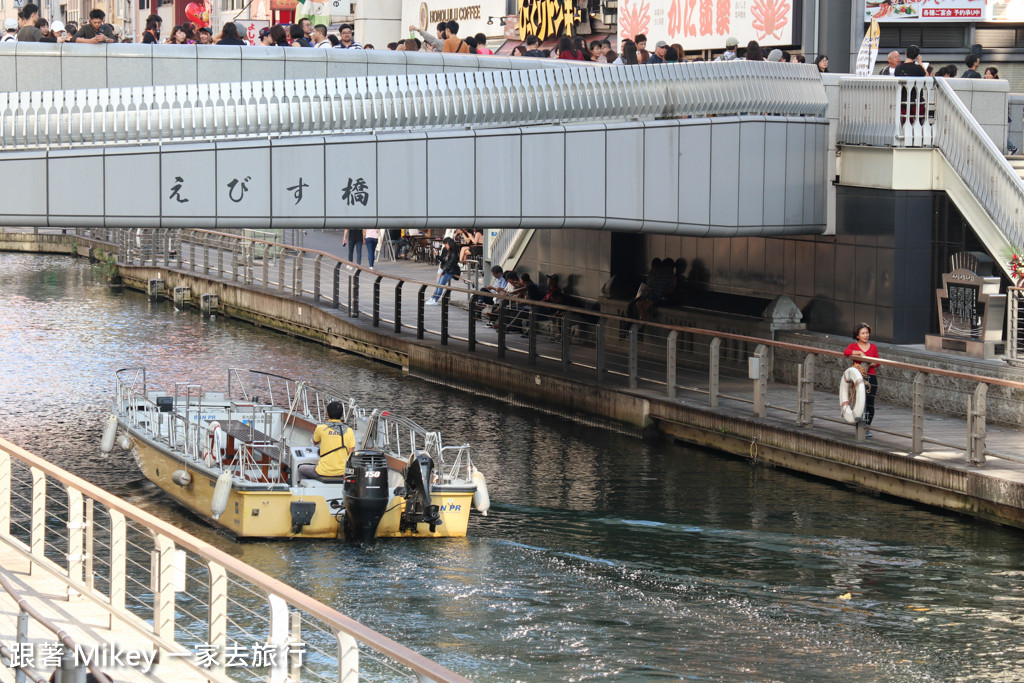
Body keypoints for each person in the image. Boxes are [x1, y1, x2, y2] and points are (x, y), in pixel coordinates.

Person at [297, 401, 356, 481]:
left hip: (323, 471)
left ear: (328, 414)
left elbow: (315, 442)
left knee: (301, 469)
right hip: (342, 472)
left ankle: (310, 489)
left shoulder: (321, 428)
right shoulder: (349, 430)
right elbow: (351, 453)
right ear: (341, 415)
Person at [844, 323, 880, 437]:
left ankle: (867, 427)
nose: (866, 335)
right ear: (857, 335)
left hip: (871, 377)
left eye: (867, 333)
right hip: (858, 378)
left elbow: (877, 362)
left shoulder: (873, 347)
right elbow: (846, 352)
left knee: (870, 403)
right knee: (859, 402)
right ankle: (859, 425)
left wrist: (869, 363)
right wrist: (859, 353)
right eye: (863, 333)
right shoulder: (853, 346)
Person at [426, 238, 460, 305]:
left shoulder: (453, 254)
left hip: (449, 272)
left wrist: (443, 272)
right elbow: (445, 261)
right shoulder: (449, 251)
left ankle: (435, 299)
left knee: (440, 286)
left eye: (446, 244)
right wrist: (437, 256)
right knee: (438, 285)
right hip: (446, 270)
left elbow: (449, 265)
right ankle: (433, 298)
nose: (445, 246)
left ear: (449, 244)